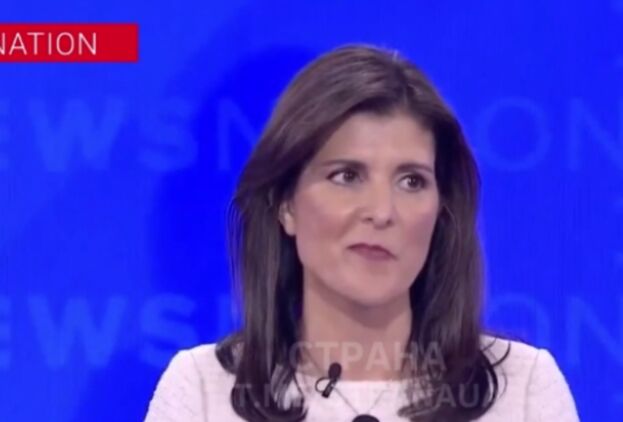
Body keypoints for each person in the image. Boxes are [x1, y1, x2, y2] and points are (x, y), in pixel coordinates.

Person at [144, 44, 579, 422]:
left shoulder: (522, 390)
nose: (382, 212)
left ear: (441, 211)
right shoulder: (205, 392)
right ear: (286, 204)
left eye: (411, 181)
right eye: (347, 176)